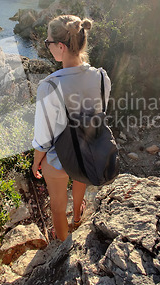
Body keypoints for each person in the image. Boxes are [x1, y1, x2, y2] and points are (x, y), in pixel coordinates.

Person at [32, 15, 111, 241]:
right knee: (79, 178)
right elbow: (98, 112)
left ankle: (64, 248)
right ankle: (77, 216)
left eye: (48, 43)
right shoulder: (102, 77)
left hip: (59, 159)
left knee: (57, 206)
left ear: (61, 46)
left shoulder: (49, 86)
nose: (47, 47)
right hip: (89, 152)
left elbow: (44, 138)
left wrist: (36, 161)